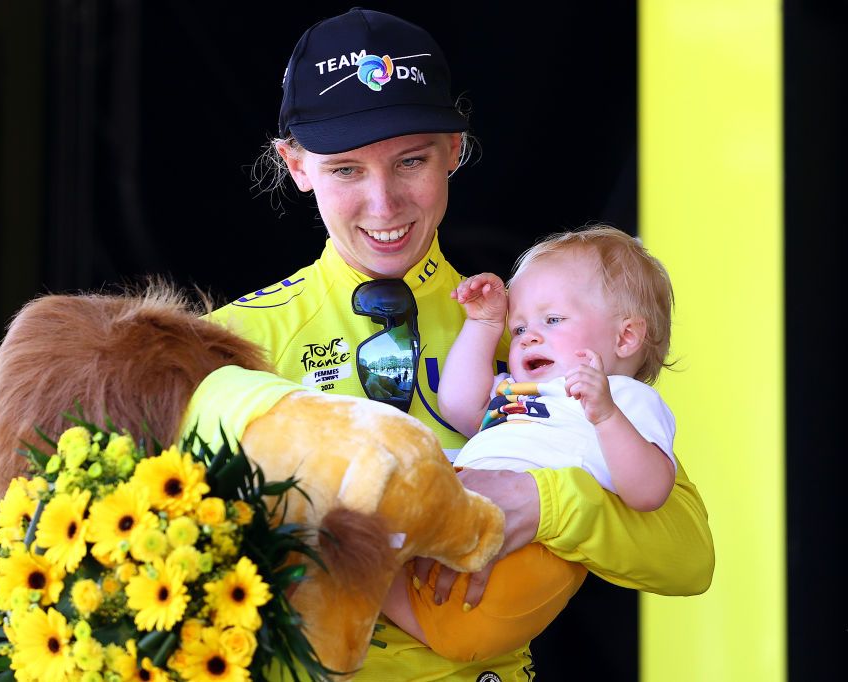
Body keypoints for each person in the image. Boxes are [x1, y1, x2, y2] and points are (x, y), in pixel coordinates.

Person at [208, 8, 713, 680]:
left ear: (454, 149)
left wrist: (547, 503)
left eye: (410, 160)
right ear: (296, 166)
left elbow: (689, 556)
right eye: (346, 171)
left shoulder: (537, 331)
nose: (383, 204)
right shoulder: (233, 341)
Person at [378, 226, 681, 660]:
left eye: (553, 320)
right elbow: (460, 405)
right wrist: (484, 324)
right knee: (357, 518)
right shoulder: (518, 392)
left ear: (625, 337)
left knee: (457, 621)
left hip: (524, 548)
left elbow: (649, 492)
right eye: (518, 327)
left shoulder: (626, 399)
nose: (528, 337)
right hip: (456, 515)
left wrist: (607, 416)